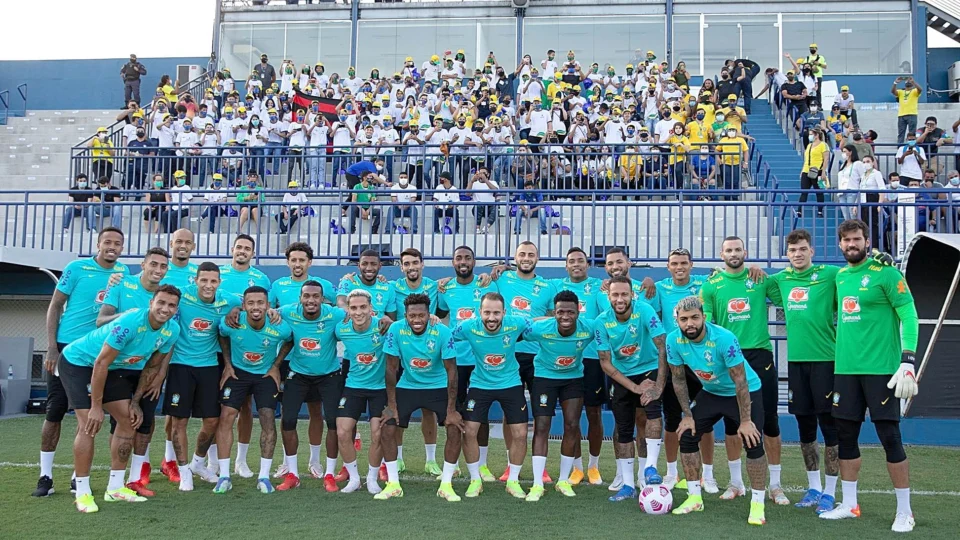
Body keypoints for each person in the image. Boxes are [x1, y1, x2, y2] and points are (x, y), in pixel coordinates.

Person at [819, 220, 919, 533]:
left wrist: (908, 360)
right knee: (845, 436)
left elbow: (909, 314)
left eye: (857, 239)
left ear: (867, 241)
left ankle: (905, 511)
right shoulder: (840, 277)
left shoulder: (887, 274)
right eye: (846, 240)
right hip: (846, 371)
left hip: (881, 371)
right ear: (840, 244)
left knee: (890, 437)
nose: (852, 244)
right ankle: (849, 504)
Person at [60, 285, 181, 513]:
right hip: (80, 362)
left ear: (176, 309)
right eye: (161, 303)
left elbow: (151, 367)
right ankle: (83, 492)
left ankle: (115, 488)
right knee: (89, 424)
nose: (165, 309)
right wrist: (97, 406)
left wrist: (135, 401)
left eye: (171, 305)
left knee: (128, 420)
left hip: (111, 368)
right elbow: (100, 363)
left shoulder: (171, 331)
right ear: (151, 303)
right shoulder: (131, 322)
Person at [32, 228, 128, 498]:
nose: (112, 246)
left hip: (97, 352)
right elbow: (55, 305)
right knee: (55, 410)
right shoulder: (76, 268)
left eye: (117, 243)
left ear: (122, 248)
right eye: (107, 242)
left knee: (87, 413)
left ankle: (77, 476)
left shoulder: (124, 275)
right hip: (66, 350)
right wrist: (51, 347)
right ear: (98, 244)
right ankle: (46, 476)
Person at [700, 236, 788, 505]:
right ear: (721, 253)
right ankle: (736, 482)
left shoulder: (760, 279)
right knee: (732, 422)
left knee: (770, 421)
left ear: (745, 252)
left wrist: (768, 273)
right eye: (728, 250)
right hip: (728, 357)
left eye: (738, 249)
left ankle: (775, 485)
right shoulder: (711, 285)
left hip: (759, 355)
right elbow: (706, 323)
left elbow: (786, 294)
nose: (733, 253)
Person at [667, 296, 769, 526]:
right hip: (712, 392)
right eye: (684, 319)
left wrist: (745, 421)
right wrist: (687, 415)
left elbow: (740, 381)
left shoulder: (724, 338)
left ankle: (757, 504)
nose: (689, 323)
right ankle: (694, 498)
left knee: (752, 441)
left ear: (704, 317)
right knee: (687, 435)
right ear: (678, 321)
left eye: (694, 317)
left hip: (743, 391)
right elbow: (678, 379)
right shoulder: (673, 340)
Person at [764, 230, 840, 513]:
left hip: (826, 362)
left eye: (803, 249)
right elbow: (751, 282)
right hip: (796, 363)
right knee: (805, 427)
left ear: (812, 251)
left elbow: (855, 275)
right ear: (787, 254)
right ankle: (813, 488)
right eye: (793, 249)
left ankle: (830, 492)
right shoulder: (781, 279)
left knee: (829, 426)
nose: (798, 254)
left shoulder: (830, 274)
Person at [522, 289, 610, 501]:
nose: (565, 317)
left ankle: (563, 479)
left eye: (570, 312)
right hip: (544, 378)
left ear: (578, 312)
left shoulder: (588, 328)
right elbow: (515, 328)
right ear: (554, 312)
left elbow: (610, 322)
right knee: (542, 426)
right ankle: (536, 484)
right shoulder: (542, 327)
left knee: (572, 424)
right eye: (560, 312)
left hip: (572, 379)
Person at [162, 262, 240, 491]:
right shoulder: (181, 296)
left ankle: (198, 462)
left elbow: (249, 305)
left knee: (212, 421)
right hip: (180, 365)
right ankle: (184, 471)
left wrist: (237, 310)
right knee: (179, 422)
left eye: (213, 281)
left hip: (209, 366)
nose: (208, 285)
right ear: (195, 280)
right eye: (203, 280)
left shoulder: (228, 300)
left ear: (219, 282)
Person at [379, 293, 461, 500]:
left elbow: (452, 370)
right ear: (405, 315)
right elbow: (391, 367)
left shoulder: (442, 331)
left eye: (421, 315)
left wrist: (451, 409)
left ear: (429, 313)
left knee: (454, 427)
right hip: (408, 385)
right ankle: (393, 484)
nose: (417, 320)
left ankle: (446, 484)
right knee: (388, 425)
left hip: (438, 386)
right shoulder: (396, 329)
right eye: (412, 315)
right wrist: (391, 404)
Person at [213, 286, 293, 495]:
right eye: (251, 303)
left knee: (267, 418)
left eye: (260, 303)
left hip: (265, 375)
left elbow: (290, 340)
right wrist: (228, 364)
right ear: (243, 306)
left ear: (268, 305)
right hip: (238, 374)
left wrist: (276, 365)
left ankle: (264, 477)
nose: (256, 307)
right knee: (226, 416)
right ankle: (224, 476)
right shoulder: (233, 323)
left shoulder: (278, 326)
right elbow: (221, 334)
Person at [272, 281, 349, 492]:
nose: (311, 300)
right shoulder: (289, 312)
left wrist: (385, 319)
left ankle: (330, 474)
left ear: (322, 299)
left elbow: (361, 316)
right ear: (300, 298)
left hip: (329, 376)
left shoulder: (334, 314)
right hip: (298, 375)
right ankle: (293, 474)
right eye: (307, 296)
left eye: (315, 296)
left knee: (332, 422)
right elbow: (265, 310)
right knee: (288, 420)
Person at [452, 292, 531, 499]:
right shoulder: (469, 327)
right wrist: (433, 320)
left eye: (497, 313)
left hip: (511, 383)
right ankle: (475, 480)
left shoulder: (516, 323)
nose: (492, 317)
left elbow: (537, 323)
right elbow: (446, 335)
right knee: (469, 431)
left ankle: (513, 481)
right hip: (480, 384)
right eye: (487, 312)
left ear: (505, 313)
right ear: (480, 312)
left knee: (521, 434)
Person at [596, 276, 667, 502]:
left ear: (631, 295)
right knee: (624, 429)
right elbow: (605, 362)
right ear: (609, 297)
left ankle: (651, 468)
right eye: (615, 295)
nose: (620, 299)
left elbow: (662, 346)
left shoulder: (644, 310)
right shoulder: (601, 321)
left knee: (653, 411)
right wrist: (634, 387)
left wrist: (658, 386)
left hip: (648, 369)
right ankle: (628, 485)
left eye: (624, 294)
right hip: (622, 376)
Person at [653, 248, 717, 491]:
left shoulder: (704, 283)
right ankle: (671, 473)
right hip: (674, 361)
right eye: (674, 263)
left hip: (701, 362)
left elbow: (724, 274)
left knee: (706, 421)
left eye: (683, 263)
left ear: (691, 265)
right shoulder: (659, 288)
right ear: (668, 267)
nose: (679, 267)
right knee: (671, 420)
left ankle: (708, 475)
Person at [435, 246, 498, 481]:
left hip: (480, 360)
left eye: (468, 258)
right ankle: (454, 464)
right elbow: (440, 315)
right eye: (459, 258)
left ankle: (481, 464)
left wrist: (500, 268)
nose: (463, 262)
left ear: (474, 261)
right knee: (454, 412)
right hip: (455, 360)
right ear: (452, 262)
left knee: (479, 415)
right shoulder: (445, 288)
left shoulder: (486, 284)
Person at [552, 248, 606, 485]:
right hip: (566, 358)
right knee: (570, 416)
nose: (576, 264)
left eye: (580, 261)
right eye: (571, 261)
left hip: (592, 358)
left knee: (594, 413)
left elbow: (612, 308)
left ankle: (594, 466)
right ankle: (576, 468)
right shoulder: (554, 286)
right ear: (566, 266)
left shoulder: (599, 286)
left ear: (588, 264)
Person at [799, 128, 830, 218]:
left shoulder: (823, 145)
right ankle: (799, 211)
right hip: (806, 170)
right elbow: (806, 159)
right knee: (803, 191)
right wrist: (802, 171)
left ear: (816, 135)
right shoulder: (809, 145)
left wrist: (823, 172)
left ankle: (820, 211)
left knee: (819, 191)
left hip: (818, 171)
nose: (810, 136)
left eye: (811, 134)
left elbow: (826, 159)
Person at [349, 169, 383, 234]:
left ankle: (374, 230)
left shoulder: (371, 188)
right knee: (353, 207)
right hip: (358, 208)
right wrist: (361, 209)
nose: (372, 178)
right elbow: (354, 200)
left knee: (380, 212)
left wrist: (368, 210)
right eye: (370, 176)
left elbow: (372, 201)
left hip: (368, 208)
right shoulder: (357, 186)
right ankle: (352, 229)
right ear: (364, 177)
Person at [467, 168, 498, 233]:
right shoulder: (475, 184)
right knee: (478, 205)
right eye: (480, 173)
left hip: (490, 207)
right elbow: (467, 194)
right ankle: (477, 228)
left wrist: (486, 180)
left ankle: (487, 227)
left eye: (483, 173)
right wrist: (472, 181)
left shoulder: (493, 182)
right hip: (478, 206)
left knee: (496, 208)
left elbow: (495, 191)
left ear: (488, 174)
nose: (481, 175)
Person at [892, 76, 921, 144]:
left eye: (909, 81)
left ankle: (912, 147)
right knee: (901, 133)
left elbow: (920, 89)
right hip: (901, 115)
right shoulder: (901, 92)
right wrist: (895, 83)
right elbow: (893, 91)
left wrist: (914, 82)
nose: (908, 82)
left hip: (912, 114)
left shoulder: (914, 91)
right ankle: (900, 148)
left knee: (912, 132)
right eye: (907, 81)